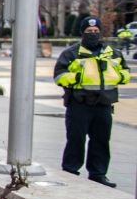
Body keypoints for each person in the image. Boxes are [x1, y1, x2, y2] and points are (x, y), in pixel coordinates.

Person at [54, 17, 130, 188]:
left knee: (101, 140)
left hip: (103, 104)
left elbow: (125, 73)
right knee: (76, 139)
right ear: (83, 33)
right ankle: (70, 172)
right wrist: (77, 77)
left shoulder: (113, 53)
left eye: (96, 32)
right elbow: (59, 76)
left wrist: (117, 76)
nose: (93, 34)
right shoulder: (71, 53)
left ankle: (98, 174)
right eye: (89, 32)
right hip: (79, 104)